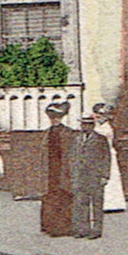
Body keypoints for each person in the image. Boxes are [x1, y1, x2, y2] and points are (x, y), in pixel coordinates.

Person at [70, 117, 113, 238]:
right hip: (80, 176)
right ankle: (84, 229)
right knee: (81, 203)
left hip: (95, 176)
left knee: (97, 204)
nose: (84, 127)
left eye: (87, 125)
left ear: (92, 126)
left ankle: (97, 230)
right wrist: (73, 174)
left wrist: (105, 175)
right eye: (83, 124)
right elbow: (73, 158)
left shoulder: (100, 139)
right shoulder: (77, 139)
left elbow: (106, 158)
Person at [40, 101, 75, 236]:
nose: (55, 119)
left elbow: (72, 154)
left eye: (57, 117)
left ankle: (63, 228)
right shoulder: (47, 133)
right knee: (50, 197)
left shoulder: (68, 133)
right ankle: (49, 226)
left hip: (64, 170)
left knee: (64, 197)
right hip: (51, 170)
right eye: (52, 117)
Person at [93, 104, 127, 213]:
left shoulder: (105, 128)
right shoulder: (97, 126)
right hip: (100, 154)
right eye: (97, 115)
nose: (99, 118)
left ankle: (112, 203)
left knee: (110, 178)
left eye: (101, 115)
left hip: (106, 154)